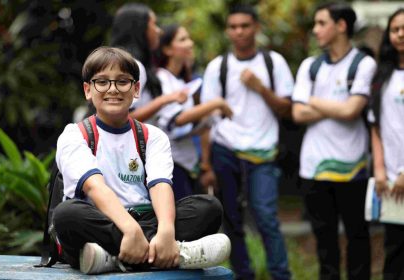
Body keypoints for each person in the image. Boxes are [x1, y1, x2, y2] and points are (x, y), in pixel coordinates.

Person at [52, 47, 231, 275]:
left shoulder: (152, 136)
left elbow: (160, 185)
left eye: (122, 82)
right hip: (99, 220)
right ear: (88, 90)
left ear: (136, 89)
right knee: (67, 215)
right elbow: (94, 186)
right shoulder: (75, 134)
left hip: (143, 219)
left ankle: (112, 258)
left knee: (209, 207)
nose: (113, 89)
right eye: (102, 82)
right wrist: (129, 230)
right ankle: (176, 254)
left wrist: (166, 230)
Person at [200, 4, 293, 280]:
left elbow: (287, 109)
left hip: (263, 151)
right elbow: (206, 117)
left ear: (256, 28)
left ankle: (281, 275)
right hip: (225, 149)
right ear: (228, 30)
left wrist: (261, 88)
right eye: (233, 27)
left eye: (245, 26)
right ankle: (244, 274)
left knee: (266, 217)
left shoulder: (273, 62)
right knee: (231, 219)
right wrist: (206, 162)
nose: (239, 32)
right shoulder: (219, 66)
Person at [292, 2, 376, 280]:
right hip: (313, 167)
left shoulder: (363, 64)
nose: (315, 30)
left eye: (321, 23)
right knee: (324, 239)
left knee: (357, 236)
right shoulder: (310, 66)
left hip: (353, 166)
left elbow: (352, 111)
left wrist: (313, 101)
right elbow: (297, 112)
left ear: (341, 26)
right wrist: (338, 106)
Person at [155, 24, 233, 200]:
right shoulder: (161, 79)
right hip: (171, 163)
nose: (190, 44)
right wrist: (216, 103)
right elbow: (177, 120)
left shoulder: (182, 81)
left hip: (188, 163)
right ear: (167, 49)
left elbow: (185, 127)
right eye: (183, 39)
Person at [368, 8, 404, 280]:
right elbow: (376, 127)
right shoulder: (383, 77)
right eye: (395, 29)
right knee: (394, 251)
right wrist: (380, 170)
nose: (400, 34)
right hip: (392, 182)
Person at [110, 3, 188, 124]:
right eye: (154, 24)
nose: (159, 31)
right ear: (140, 29)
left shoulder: (118, 63)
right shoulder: (132, 66)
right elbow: (121, 119)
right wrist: (165, 100)